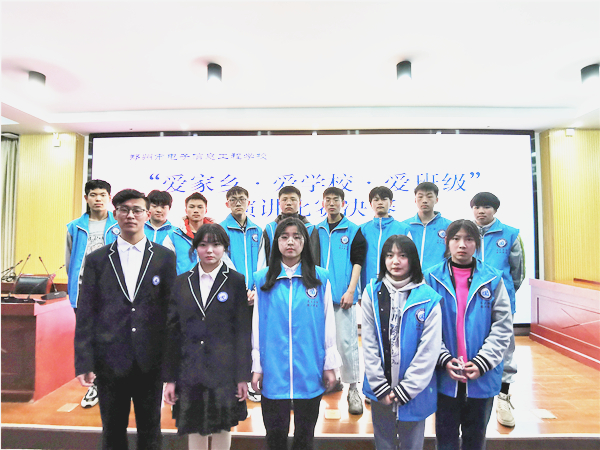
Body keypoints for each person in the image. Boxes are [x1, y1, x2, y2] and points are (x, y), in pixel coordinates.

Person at [74, 189, 177, 450]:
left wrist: (171, 365)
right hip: (110, 359)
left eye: (137, 210)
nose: (131, 215)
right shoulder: (97, 259)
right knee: (112, 431)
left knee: (151, 430)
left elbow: (170, 313)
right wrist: (84, 361)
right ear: (115, 214)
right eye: (124, 210)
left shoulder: (164, 258)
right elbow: (86, 313)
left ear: (147, 215)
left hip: (150, 360)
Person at [251, 217, 341, 450]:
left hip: (309, 368)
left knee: (305, 437)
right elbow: (257, 325)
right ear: (276, 242)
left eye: (296, 237)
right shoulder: (262, 279)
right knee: (275, 437)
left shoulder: (320, 278)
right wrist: (257, 366)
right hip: (274, 369)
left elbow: (328, 324)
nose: (290, 242)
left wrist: (329, 364)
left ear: (304, 242)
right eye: (284, 237)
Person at [424, 219, 512, 450]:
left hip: (482, 375)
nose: (462, 244)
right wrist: (443, 358)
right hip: (445, 375)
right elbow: (425, 327)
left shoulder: (493, 278)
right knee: (445, 439)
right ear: (447, 242)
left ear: (477, 243)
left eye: (469, 239)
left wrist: (483, 362)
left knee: (475, 439)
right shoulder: (430, 278)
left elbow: (503, 326)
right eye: (456, 239)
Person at [163, 224, 251, 450]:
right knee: (194, 425)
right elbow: (172, 333)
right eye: (203, 245)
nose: (209, 250)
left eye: (216, 244)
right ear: (195, 249)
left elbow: (242, 331)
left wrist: (243, 377)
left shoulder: (235, 281)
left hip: (224, 369)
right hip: (189, 368)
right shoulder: (181, 282)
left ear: (225, 248)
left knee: (223, 425)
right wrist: (170, 379)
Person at [362, 235, 442, 450]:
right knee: (384, 443)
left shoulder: (429, 298)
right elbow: (368, 342)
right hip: (380, 388)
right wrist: (379, 385)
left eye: (402, 256)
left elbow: (429, 350)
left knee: (412, 444)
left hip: (415, 392)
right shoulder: (372, 292)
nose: (395, 261)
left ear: (412, 259)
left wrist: (408, 389)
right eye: (389, 255)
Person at [471, 192, 524, 427]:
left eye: (486, 207)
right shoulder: (465, 233)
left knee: (505, 348)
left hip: (502, 301)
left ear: (495, 210)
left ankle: (503, 397)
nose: (481, 211)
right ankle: (472, 394)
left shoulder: (511, 234)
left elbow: (517, 272)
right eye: (477, 207)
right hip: (471, 302)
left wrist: (504, 292)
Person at [66, 179, 120, 408]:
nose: (98, 199)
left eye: (102, 195)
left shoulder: (118, 224)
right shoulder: (74, 227)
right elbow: (70, 261)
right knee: (89, 339)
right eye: (93, 195)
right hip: (83, 291)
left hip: (113, 292)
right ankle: (95, 384)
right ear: (86, 198)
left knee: (114, 338)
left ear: (109, 197)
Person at [315, 187, 366, 415]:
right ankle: (327, 382)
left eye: (336, 200)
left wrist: (351, 290)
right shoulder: (315, 230)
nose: (332, 203)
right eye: (328, 200)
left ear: (343, 203)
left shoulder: (353, 230)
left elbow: (358, 262)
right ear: (323, 203)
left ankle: (353, 389)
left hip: (342, 297)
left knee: (347, 344)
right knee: (319, 344)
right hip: (317, 298)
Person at [220, 186, 263, 403]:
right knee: (233, 340)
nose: (238, 202)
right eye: (233, 199)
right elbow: (222, 259)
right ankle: (235, 383)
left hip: (255, 295)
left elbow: (263, 261)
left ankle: (252, 383)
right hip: (231, 294)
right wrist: (240, 288)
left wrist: (255, 289)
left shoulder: (258, 230)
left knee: (253, 340)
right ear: (227, 203)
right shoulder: (220, 229)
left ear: (248, 202)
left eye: (242, 199)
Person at [360, 186, 411, 298]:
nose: (380, 202)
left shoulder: (403, 229)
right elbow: (356, 262)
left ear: (391, 202)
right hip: (368, 288)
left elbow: (410, 259)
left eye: (384, 199)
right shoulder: (362, 230)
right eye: (376, 199)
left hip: (397, 289)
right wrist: (358, 293)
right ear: (370, 204)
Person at [256, 185, 319, 269]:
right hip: (276, 275)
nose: (288, 203)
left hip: (302, 275)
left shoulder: (310, 229)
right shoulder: (270, 229)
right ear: (279, 203)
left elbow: (314, 259)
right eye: (284, 199)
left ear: (300, 203)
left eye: (293, 199)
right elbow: (265, 259)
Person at [403, 182, 452, 271]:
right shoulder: (404, 226)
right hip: (410, 276)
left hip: (438, 276)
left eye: (429, 196)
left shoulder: (448, 226)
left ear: (436, 200)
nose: (424, 200)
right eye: (420, 197)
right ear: (415, 200)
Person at [163, 192, 215, 275]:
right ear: (186, 210)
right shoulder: (173, 235)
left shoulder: (216, 235)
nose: (196, 210)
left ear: (206, 210)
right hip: (182, 282)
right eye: (192, 207)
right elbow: (165, 264)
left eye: (200, 207)